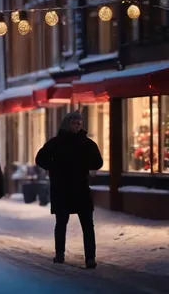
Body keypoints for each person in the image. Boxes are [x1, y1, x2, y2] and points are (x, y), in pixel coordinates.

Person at [36, 111, 103, 269]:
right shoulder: (55, 143)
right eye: (74, 122)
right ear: (67, 124)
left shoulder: (88, 144)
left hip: (81, 188)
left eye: (80, 123)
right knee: (61, 223)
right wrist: (54, 167)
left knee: (87, 224)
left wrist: (86, 165)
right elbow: (40, 159)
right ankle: (59, 254)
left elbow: (98, 162)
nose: (78, 125)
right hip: (62, 189)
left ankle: (90, 258)